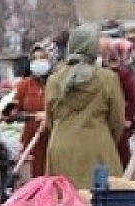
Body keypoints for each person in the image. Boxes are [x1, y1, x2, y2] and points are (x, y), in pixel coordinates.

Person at [44, 25, 126, 190]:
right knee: (100, 201)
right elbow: (117, 121)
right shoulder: (108, 79)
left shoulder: (53, 80)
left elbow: (49, 120)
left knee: (64, 200)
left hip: (61, 148)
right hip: (98, 147)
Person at [1, 43, 51, 178]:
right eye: (35, 59)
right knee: (32, 177)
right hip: (31, 141)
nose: (39, 62)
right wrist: (32, 116)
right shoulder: (24, 85)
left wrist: (48, 116)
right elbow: (8, 114)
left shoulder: (55, 84)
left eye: (42, 58)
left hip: (51, 141)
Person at [101, 37, 135, 168]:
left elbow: (133, 98)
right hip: (110, 123)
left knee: (120, 157)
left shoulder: (122, 73)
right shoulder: (121, 72)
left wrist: (127, 118)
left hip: (119, 123)